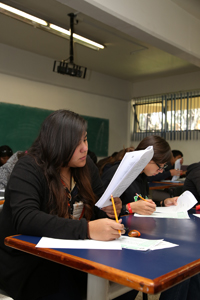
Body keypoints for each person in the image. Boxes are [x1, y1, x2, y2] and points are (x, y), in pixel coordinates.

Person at [0, 110, 131, 300]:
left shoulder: (86, 168)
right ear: (57, 143)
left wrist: (111, 209)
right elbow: (26, 218)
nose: (85, 148)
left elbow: (99, 208)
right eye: (76, 143)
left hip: (74, 252)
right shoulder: (29, 167)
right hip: (30, 261)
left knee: (125, 282)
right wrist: (86, 229)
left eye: (85, 140)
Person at [101, 136, 179, 215]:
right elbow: (99, 213)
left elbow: (140, 205)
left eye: (163, 167)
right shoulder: (116, 175)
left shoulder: (142, 176)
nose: (161, 171)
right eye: (160, 166)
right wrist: (129, 208)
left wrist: (162, 203)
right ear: (147, 158)